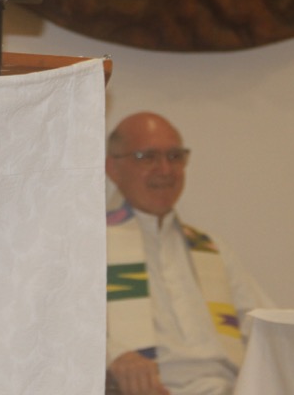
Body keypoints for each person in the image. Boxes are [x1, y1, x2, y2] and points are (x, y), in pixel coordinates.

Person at [105, 112, 273, 395]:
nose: (165, 169)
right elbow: (61, 328)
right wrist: (113, 356)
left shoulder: (211, 249)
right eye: (147, 157)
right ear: (113, 168)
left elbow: (265, 328)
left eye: (175, 157)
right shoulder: (92, 246)